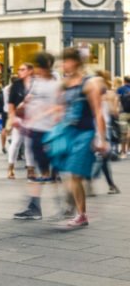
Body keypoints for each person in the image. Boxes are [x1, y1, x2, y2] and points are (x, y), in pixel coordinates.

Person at [47, 48, 107, 227]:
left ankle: (80, 213)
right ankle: (79, 212)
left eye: (65, 61)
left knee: (74, 173)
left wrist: (101, 138)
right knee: (69, 174)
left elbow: (98, 113)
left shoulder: (89, 83)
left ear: (76, 62)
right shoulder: (64, 84)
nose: (62, 65)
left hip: (85, 133)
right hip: (68, 132)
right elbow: (60, 109)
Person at [13, 52, 61, 220]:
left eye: (38, 66)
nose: (36, 70)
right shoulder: (37, 82)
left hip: (48, 131)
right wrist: (23, 107)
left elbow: (59, 107)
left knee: (48, 171)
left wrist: (42, 116)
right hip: (34, 129)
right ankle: (36, 206)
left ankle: (59, 206)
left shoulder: (56, 83)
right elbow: (30, 100)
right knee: (40, 169)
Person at [7, 64, 36, 180]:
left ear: (30, 71)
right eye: (19, 69)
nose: (19, 71)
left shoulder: (36, 84)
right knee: (16, 142)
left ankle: (30, 170)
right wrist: (12, 118)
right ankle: (10, 168)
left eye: (22, 69)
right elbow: (11, 104)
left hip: (32, 118)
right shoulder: (16, 85)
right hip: (19, 117)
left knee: (29, 144)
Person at [117, 75, 130, 159]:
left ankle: (123, 150)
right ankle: (129, 150)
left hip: (123, 113)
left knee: (123, 133)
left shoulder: (120, 89)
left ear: (124, 81)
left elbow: (117, 100)